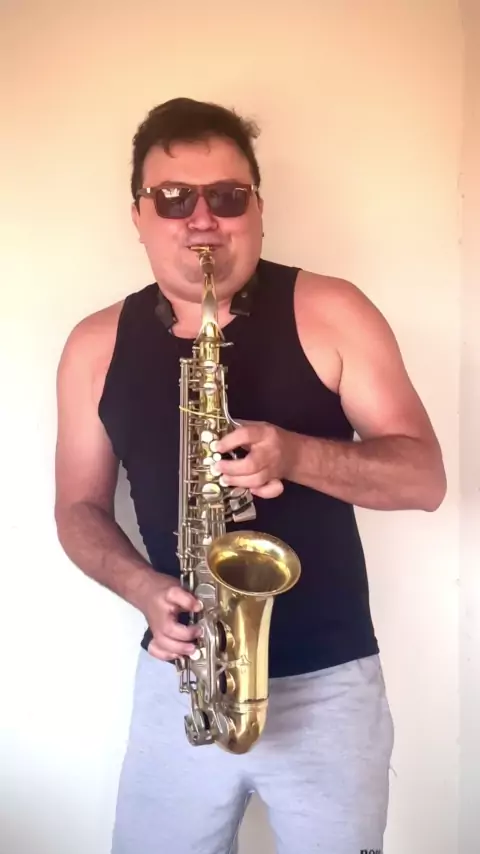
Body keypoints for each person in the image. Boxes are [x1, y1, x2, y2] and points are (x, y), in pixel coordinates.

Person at [54, 97, 447, 854]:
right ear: (139, 215)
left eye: (228, 196)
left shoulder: (334, 310)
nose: (202, 220)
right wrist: (142, 590)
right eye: (174, 198)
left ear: (258, 209)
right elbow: (77, 508)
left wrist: (295, 454)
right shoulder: (94, 346)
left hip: (330, 688)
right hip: (180, 681)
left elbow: (423, 479)